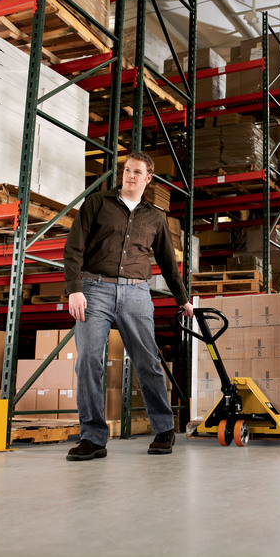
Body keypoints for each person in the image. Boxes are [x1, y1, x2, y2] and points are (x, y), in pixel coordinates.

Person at [63, 151, 193, 461]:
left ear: (148, 178)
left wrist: (183, 299)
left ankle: (164, 430)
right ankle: (93, 438)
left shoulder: (155, 217)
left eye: (137, 172)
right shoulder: (97, 203)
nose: (130, 176)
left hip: (136, 293)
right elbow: (73, 248)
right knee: (89, 361)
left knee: (147, 360)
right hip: (95, 290)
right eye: (126, 170)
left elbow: (168, 263)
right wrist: (74, 289)